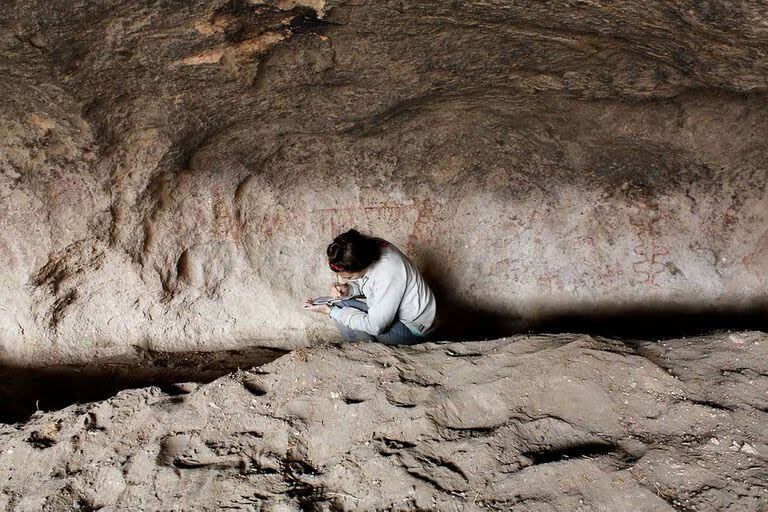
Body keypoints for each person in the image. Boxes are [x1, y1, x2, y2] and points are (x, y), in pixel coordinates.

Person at [304, 229, 437, 345]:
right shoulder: (368, 249)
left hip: (414, 331)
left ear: (361, 266)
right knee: (339, 303)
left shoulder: (388, 272)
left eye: (349, 277)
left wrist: (331, 312)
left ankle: (363, 355)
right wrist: (349, 289)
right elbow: (370, 283)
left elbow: (375, 327)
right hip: (400, 318)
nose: (345, 280)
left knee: (339, 308)